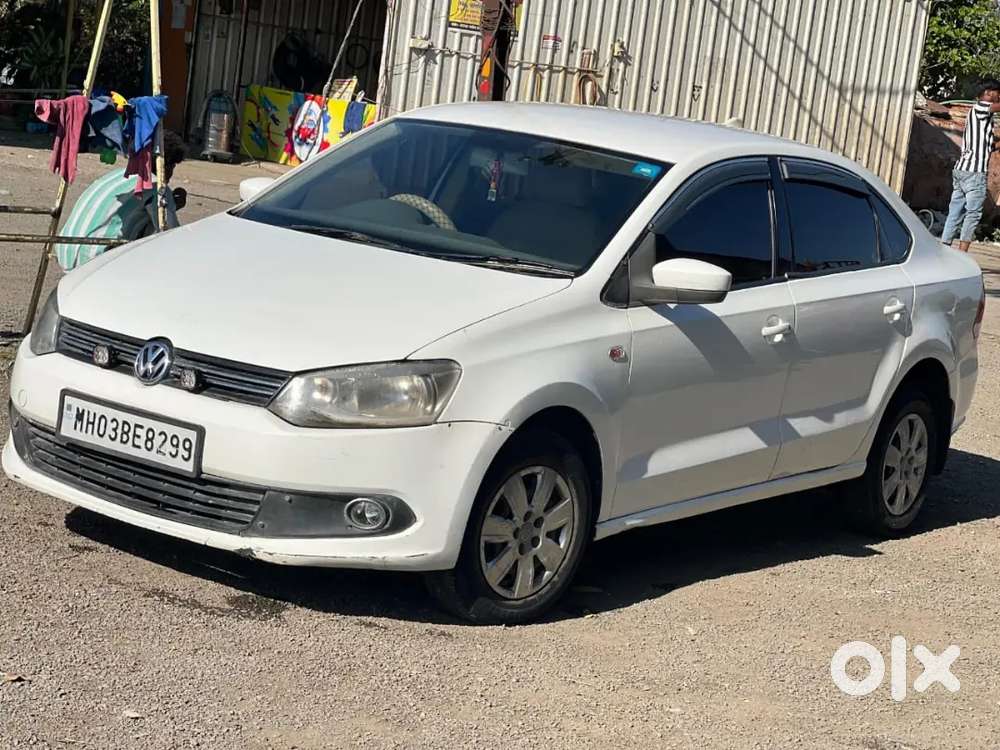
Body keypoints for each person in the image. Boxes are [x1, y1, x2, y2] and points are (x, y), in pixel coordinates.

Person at [55, 131, 188, 271]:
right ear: (166, 166)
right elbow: (170, 232)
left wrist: (171, 204)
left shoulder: (119, 174)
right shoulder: (155, 186)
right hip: (91, 260)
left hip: (66, 250)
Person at [941, 80, 1000, 252]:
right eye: (998, 93)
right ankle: (962, 255)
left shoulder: (979, 117)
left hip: (962, 170)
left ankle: (944, 250)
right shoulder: (980, 107)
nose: (999, 97)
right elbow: (994, 108)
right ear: (988, 93)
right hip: (974, 172)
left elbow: (986, 146)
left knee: (955, 212)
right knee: (973, 214)